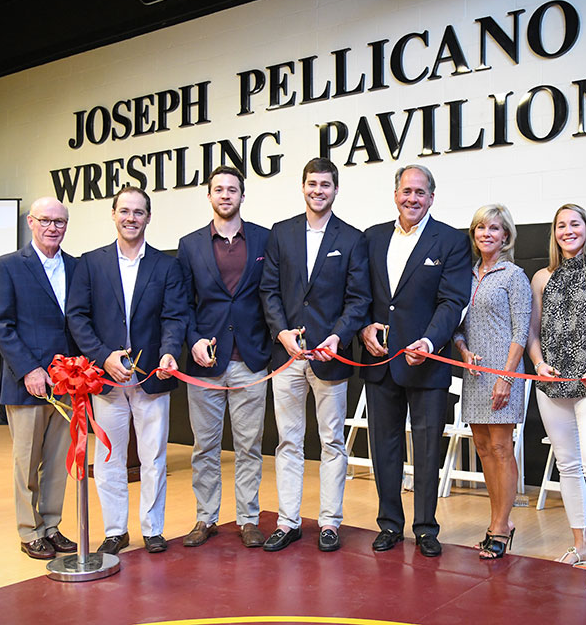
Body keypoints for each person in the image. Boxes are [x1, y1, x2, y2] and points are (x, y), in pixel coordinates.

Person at [259, 157, 371, 552]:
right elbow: (268, 291)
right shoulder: (281, 233)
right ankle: (288, 521)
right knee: (288, 441)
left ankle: (329, 522)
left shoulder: (352, 238)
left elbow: (359, 300)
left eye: (325, 184)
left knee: (332, 442)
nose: (318, 190)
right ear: (302, 187)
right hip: (286, 356)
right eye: (312, 184)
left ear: (336, 190)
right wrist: (282, 333)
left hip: (330, 359)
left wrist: (339, 337)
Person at [67, 186, 186, 555]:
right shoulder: (91, 262)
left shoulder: (167, 266)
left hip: (152, 378)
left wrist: (168, 353)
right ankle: (116, 530)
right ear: (113, 214)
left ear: (148, 217)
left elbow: (174, 317)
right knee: (109, 459)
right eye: (124, 211)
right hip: (107, 381)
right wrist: (103, 357)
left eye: (138, 212)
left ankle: (153, 529)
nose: (131, 218)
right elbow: (78, 317)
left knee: (153, 458)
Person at [359, 164, 470, 557]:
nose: (412, 198)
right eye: (406, 191)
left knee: (425, 450)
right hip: (381, 360)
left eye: (420, 192)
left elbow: (453, 301)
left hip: (428, 361)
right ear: (395, 194)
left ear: (431, 198)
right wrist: (364, 328)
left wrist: (429, 340)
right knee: (384, 448)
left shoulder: (452, 241)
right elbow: (361, 296)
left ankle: (425, 528)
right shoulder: (371, 238)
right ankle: (389, 523)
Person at [526, 203, 586, 591]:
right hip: (551, 384)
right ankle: (580, 545)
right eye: (561, 226)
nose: (568, 231)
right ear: (554, 232)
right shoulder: (541, 277)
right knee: (567, 465)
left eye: (574, 224)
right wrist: (537, 363)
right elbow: (532, 332)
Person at [176, 166, 271, 549]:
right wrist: (192, 339)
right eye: (219, 189)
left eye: (233, 190)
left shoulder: (265, 239)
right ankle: (206, 517)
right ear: (210, 196)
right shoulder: (189, 244)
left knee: (249, 445)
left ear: (242, 196)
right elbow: (180, 303)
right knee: (205, 446)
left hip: (250, 358)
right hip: (206, 361)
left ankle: (248, 517)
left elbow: (272, 294)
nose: (226, 195)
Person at [0, 196, 79, 560]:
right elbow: (0, 324)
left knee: (57, 460)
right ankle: (29, 530)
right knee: (26, 461)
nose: (53, 227)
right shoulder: (7, 266)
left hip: (67, 383)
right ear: (31, 222)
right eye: (46, 220)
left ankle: (52, 526)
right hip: (27, 382)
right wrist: (29, 369)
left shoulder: (76, 266)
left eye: (60, 222)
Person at [452, 204, 531, 559]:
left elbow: (521, 331)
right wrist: (463, 350)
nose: (487, 234)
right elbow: (455, 325)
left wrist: (507, 378)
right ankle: (499, 519)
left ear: (506, 236)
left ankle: (500, 527)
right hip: (475, 374)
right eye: (481, 227)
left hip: (503, 375)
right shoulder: (463, 274)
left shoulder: (514, 275)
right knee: (483, 449)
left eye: (494, 228)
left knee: (501, 448)